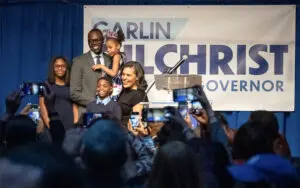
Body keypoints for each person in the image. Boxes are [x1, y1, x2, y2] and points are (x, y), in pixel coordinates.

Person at [70, 28, 112, 118]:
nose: (93, 43)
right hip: (87, 112)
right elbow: (74, 93)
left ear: (102, 40)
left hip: (109, 113)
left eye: (96, 40)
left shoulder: (110, 60)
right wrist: (96, 104)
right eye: (90, 41)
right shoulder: (79, 61)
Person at [39, 56, 78, 130]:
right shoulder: (46, 85)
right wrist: (50, 126)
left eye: (63, 66)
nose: (60, 68)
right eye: (57, 66)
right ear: (53, 68)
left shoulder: (72, 85)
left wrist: (75, 122)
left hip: (70, 124)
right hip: (53, 123)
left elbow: (75, 105)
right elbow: (43, 108)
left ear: (67, 68)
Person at [92, 30, 125, 101]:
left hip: (116, 86)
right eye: (107, 48)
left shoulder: (117, 56)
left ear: (118, 46)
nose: (108, 50)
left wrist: (101, 66)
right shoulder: (118, 56)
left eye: (110, 47)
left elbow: (113, 73)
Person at [117, 61, 148, 127]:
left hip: (126, 135)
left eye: (128, 75)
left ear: (137, 77)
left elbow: (135, 125)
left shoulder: (139, 95)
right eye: (123, 74)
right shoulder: (125, 90)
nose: (124, 78)